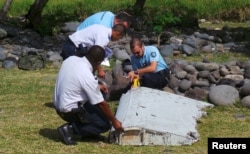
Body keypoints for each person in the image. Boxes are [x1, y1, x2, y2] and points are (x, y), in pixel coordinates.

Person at [54, 45, 124, 145]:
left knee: (101, 95)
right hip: (69, 111)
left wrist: (97, 86)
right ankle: (70, 129)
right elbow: (102, 104)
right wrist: (114, 121)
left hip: (60, 104)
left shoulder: (71, 59)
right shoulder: (86, 75)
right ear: (99, 62)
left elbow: (76, 80)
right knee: (104, 124)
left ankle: (89, 133)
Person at [61, 24, 126, 77]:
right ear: (117, 33)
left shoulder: (102, 28)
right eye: (119, 38)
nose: (117, 40)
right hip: (73, 48)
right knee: (72, 73)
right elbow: (97, 55)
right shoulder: (104, 37)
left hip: (72, 44)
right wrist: (100, 71)